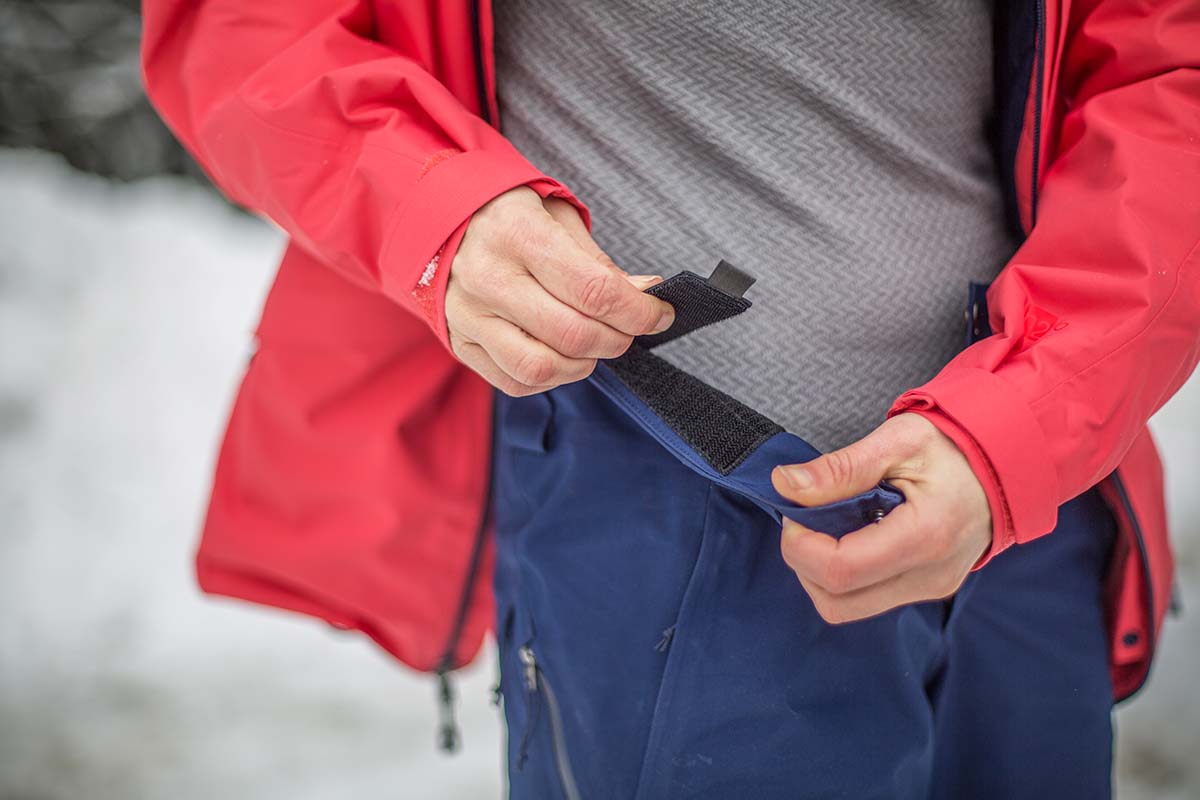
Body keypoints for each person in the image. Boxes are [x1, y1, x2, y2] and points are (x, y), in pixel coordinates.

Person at [142, 1, 1197, 797]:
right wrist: (427, 204)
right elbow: (242, 29)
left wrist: (1035, 414)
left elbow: (1169, 72)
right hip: (664, 486)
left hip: (1028, 491)